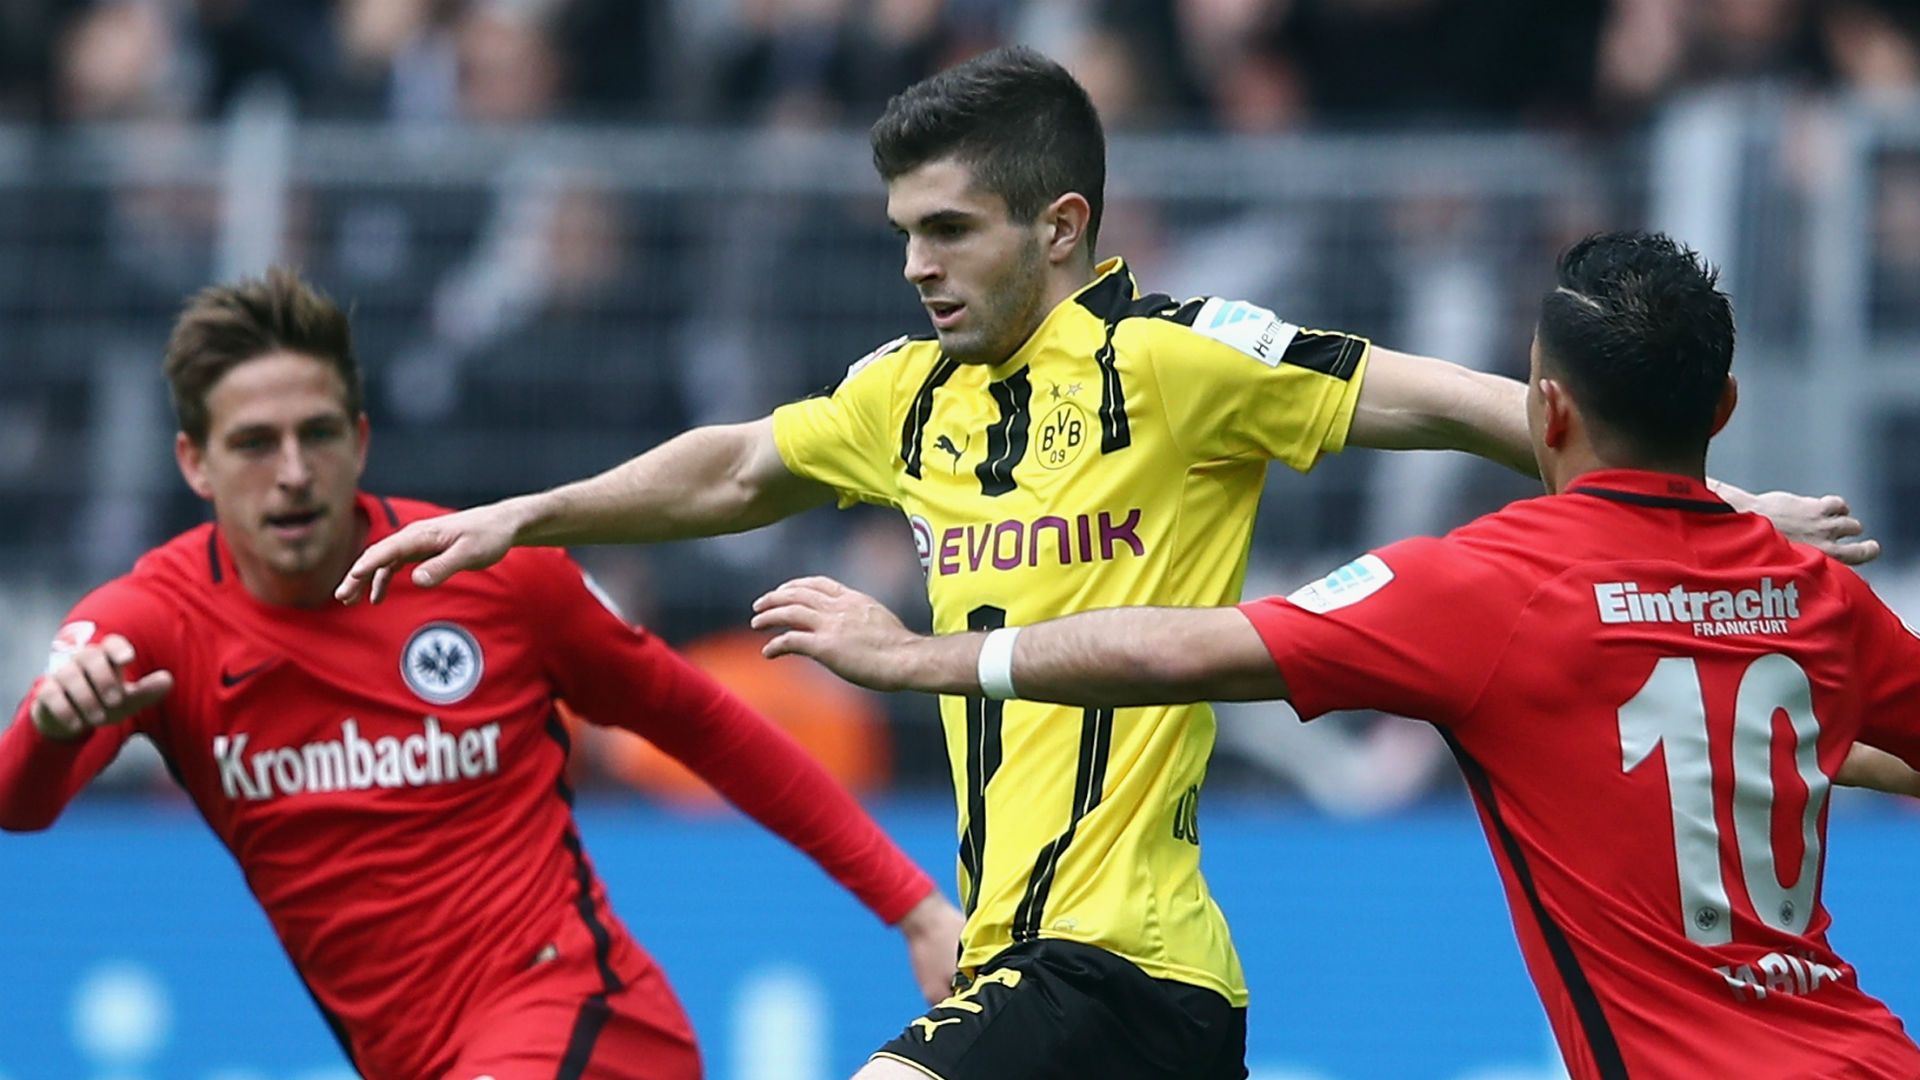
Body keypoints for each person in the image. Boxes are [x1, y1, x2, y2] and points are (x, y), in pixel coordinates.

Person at [337, 50, 1873, 1080]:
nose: (917, 265)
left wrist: (1697, 496)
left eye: (949, 229)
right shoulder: (905, 397)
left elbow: (1454, 402)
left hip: (1122, 960)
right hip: (1027, 967)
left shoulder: (1184, 360)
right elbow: (736, 462)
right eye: (901, 233)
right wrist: (528, 514)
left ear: (1061, 225)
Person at [750, 232, 1920, 1080]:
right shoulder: (1810, 592)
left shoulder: (1491, 587)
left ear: (1544, 412)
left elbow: (1175, 653)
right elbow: (1779, 733)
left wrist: (924, 658)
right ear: (1722, 409)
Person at [0, 268, 964, 1080]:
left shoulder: (487, 575)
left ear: (361, 440)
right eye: (255, 443)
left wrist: (913, 906)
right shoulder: (150, 622)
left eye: (318, 434)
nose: (292, 471)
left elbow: (700, 721)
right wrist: (53, 725)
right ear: (194, 464)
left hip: (589, 1025)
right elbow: (22, 805)